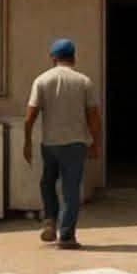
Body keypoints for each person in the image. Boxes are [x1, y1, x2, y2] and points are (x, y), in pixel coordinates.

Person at [24, 38, 101, 250]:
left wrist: (27, 142)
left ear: (53, 58)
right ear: (74, 57)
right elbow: (94, 117)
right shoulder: (84, 82)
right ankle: (66, 236)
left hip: (50, 144)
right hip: (76, 144)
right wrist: (95, 143)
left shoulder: (42, 80)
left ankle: (50, 219)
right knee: (71, 190)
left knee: (47, 182)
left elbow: (29, 117)